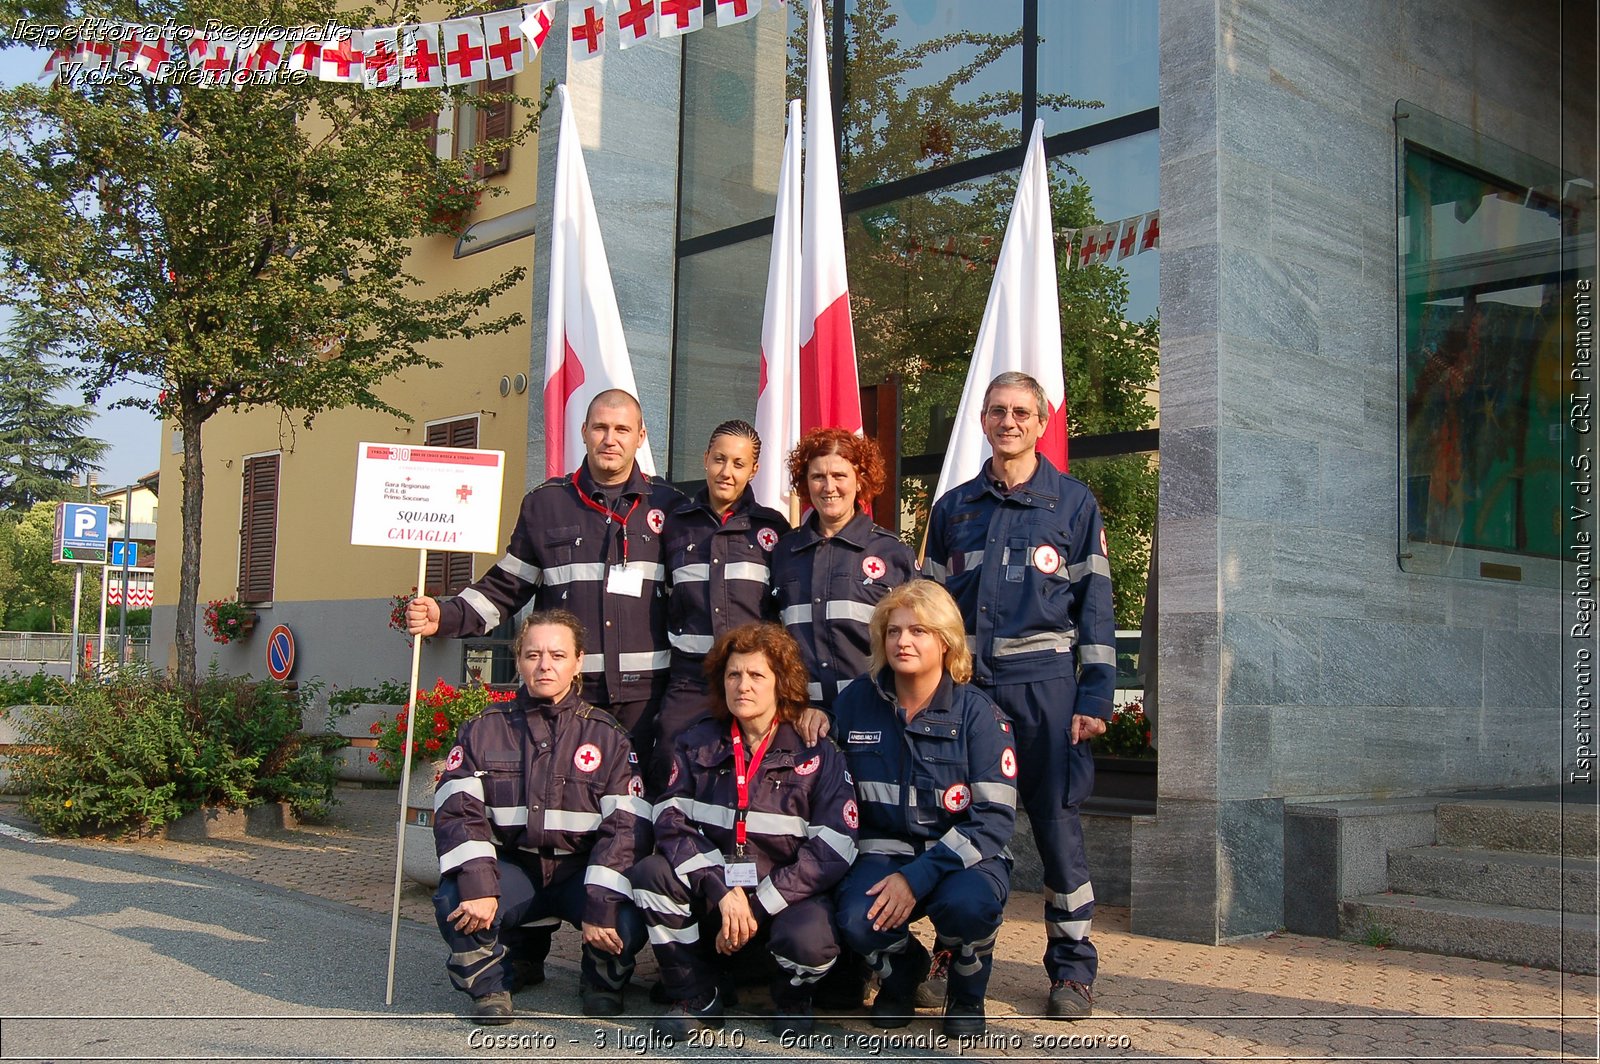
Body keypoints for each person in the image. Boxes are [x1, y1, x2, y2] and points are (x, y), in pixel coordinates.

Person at [923, 370, 1115, 1020]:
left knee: (1059, 833)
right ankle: (956, 952)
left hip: (1049, 694)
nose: (1009, 422)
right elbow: (930, 608)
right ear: (983, 420)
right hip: (971, 697)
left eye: (1021, 413)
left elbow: (1097, 609)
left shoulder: (1073, 504)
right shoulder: (954, 508)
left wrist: (1095, 697)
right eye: (998, 411)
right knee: (964, 825)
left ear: (1040, 423)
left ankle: (1072, 972)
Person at [408, 389, 685, 775]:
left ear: (640, 437)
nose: (610, 439)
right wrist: (447, 615)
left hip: (646, 699)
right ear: (584, 430)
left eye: (622, 429)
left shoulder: (670, 506)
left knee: (640, 807)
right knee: (566, 800)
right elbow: (508, 586)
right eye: (601, 427)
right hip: (566, 694)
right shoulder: (546, 504)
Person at [629, 623, 857, 1038]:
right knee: (651, 874)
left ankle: (790, 998)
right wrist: (718, 886)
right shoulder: (696, 742)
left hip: (784, 900)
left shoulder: (817, 751)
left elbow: (835, 847)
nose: (743, 686)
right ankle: (697, 994)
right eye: (733, 674)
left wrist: (758, 905)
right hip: (718, 897)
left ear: (780, 683)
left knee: (811, 944)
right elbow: (670, 818)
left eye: (757, 675)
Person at [430, 609, 650, 1024]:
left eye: (557, 654)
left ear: (578, 661)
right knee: (456, 898)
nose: (544, 665)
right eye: (533, 655)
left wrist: (601, 904)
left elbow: (626, 827)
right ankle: (491, 984)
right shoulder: (483, 729)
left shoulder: (609, 736)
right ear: (519, 661)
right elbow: (459, 813)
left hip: (581, 874)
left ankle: (601, 982)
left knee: (625, 916)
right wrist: (478, 884)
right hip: (515, 868)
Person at [831, 581, 1017, 1037]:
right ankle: (904, 973)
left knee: (969, 907)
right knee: (856, 917)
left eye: (918, 631)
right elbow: (833, 795)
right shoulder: (855, 702)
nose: (903, 642)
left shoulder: (979, 715)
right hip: (882, 853)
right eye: (893, 632)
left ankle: (967, 995)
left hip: (961, 858)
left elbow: (993, 819)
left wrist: (918, 877)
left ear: (946, 641)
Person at [653, 420, 789, 791]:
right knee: (668, 762)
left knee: (755, 776)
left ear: (753, 470)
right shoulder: (675, 525)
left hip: (753, 681)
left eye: (738, 464)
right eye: (719, 460)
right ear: (705, 460)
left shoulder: (773, 530)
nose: (726, 472)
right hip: (690, 679)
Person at [771, 428, 917, 716]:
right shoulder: (783, 553)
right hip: (801, 716)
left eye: (839, 476)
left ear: (859, 481)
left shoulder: (893, 553)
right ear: (805, 483)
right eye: (817, 477)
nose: (829, 487)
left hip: (876, 712)